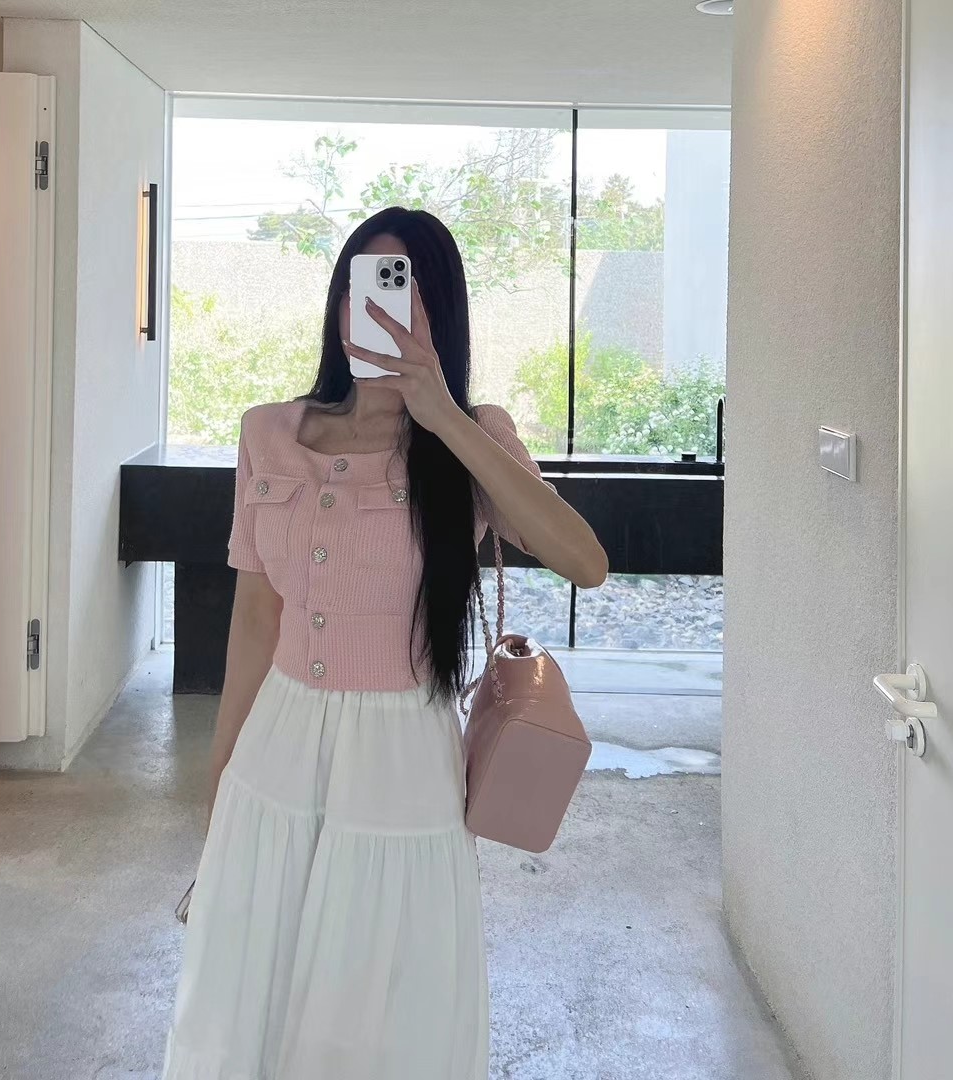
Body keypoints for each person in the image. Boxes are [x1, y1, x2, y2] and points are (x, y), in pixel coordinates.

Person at [162, 207, 608, 1080]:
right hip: (277, 750)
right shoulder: (268, 432)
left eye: (401, 291)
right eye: (360, 286)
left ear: (439, 311)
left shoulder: (471, 437)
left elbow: (583, 562)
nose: (374, 310)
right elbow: (255, 618)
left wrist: (444, 416)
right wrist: (219, 784)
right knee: (256, 986)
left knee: (378, 1007)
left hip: (403, 757)